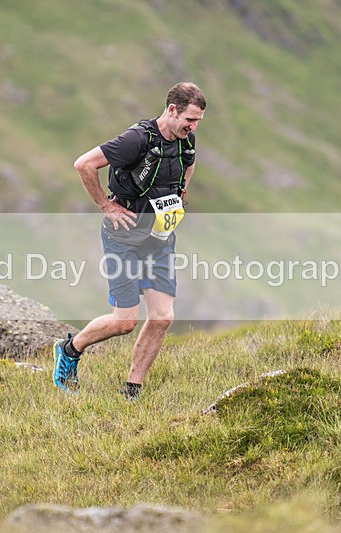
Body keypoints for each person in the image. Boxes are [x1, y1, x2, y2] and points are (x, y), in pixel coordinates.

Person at [53, 82, 206, 400]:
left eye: (197, 122)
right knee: (125, 322)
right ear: (171, 110)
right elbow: (84, 164)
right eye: (189, 119)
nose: (192, 127)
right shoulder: (136, 139)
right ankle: (69, 350)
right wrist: (106, 206)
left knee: (163, 317)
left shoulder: (185, 141)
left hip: (160, 239)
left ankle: (132, 389)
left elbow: (188, 164)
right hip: (123, 240)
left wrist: (179, 194)